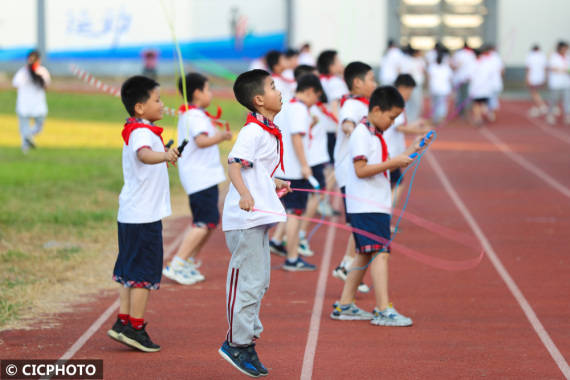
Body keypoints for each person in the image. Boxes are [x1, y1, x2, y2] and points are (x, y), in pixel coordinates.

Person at [330, 85, 430, 326]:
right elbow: (361, 169)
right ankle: (383, 308)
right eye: (391, 117)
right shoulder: (362, 134)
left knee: (364, 254)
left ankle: (345, 304)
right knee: (380, 253)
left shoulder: (374, 134)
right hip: (366, 204)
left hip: (374, 202)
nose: (393, 122)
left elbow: (383, 164)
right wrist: (394, 161)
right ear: (376, 109)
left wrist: (411, 149)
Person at [218, 69, 291, 377]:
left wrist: (270, 183)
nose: (280, 90)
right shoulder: (253, 131)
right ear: (260, 100)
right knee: (247, 282)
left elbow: (253, 169)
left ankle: (246, 339)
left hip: (258, 219)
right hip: (245, 219)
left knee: (260, 282)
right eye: (274, 86)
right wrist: (246, 194)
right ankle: (237, 344)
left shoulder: (266, 130)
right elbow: (234, 165)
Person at [107, 76, 179, 352]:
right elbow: (143, 155)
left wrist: (164, 156)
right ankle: (135, 327)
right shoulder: (141, 133)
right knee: (143, 274)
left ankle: (123, 321)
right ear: (139, 107)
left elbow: (148, 156)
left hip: (132, 214)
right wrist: (164, 156)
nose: (162, 104)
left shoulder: (141, 128)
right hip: (142, 217)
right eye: (157, 99)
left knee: (128, 271)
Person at [162, 73, 232, 285]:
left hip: (205, 176)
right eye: (208, 89)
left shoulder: (196, 114)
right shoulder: (194, 117)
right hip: (199, 177)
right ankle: (177, 263)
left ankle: (188, 261)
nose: (211, 94)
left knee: (210, 222)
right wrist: (221, 136)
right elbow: (201, 141)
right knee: (203, 222)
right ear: (197, 93)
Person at [271, 74, 323, 271]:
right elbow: (297, 138)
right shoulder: (300, 109)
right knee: (294, 215)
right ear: (309, 91)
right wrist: (305, 165)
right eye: (316, 97)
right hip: (294, 171)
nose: (316, 102)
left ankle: (289, 253)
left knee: (289, 212)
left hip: (284, 169)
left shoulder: (288, 105)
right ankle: (292, 258)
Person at [332, 61, 377, 289]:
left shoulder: (363, 104)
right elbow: (347, 124)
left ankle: (347, 265)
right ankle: (347, 266)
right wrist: (357, 132)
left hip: (356, 171)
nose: (375, 83)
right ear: (358, 82)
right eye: (371, 79)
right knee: (359, 223)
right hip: (349, 173)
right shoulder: (352, 105)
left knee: (359, 223)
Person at [385, 74, 431, 211]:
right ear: (402, 88)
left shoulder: (393, 101)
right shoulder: (395, 103)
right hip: (391, 152)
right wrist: (420, 131)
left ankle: (384, 217)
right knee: (397, 184)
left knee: (393, 185)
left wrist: (418, 124)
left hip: (391, 151)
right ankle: (385, 217)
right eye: (409, 91)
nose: (410, 95)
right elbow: (399, 127)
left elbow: (400, 124)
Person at [316, 50, 349, 217]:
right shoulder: (335, 82)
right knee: (332, 168)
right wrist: (340, 128)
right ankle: (322, 201)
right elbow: (336, 107)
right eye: (338, 61)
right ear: (330, 66)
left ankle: (320, 200)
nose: (341, 63)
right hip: (331, 130)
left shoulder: (320, 80)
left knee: (325, 167)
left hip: (321, 129)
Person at [12, 50, 51, 153]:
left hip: (31, 104)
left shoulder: (38, 71)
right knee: (31, 127)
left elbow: (15, 84)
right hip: (30, 104)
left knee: (28, 128)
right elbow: (46, 86)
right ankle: (26, 148)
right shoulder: (24, 72)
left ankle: (27, 141)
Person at [469, 49, 495, 126]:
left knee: (476, 104)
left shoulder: (472, 64)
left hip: (476, 88)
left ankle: (478, 118)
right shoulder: (487, 62)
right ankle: (487, 112)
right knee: (483, 103)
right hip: (485, 88)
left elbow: (469, 76)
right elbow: (491, 74)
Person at [546, 40, 570, 125]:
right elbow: (552, 68)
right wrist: (564, 70)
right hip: (556, 83)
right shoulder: (554, 57)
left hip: (566, 83)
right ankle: (550, 114)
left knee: (567, 100)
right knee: (554, 100)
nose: (566, 50)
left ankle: (567, 116)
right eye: (565, 48)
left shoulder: (568, 56)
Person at [428, 49, 453, 124]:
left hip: (434, 88)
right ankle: (440, 118)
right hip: (443, 89)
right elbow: (450, 78)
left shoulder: (432, 67)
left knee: (434, 104)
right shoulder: (446, 67)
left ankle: (435, 118)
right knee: (442, 104)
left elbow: (429, 77)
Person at [451, 42, 476, 118]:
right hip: (467, 78)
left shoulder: (458, 54)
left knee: (459, 95)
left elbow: (454, 66)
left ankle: (460, 111)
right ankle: (464, 111)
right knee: (465, 96)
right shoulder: (471, 54)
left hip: (459, 78)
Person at [525, 44, 548, 118]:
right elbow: (545, 68)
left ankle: (542, 106)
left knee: (534, 92)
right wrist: (545, 77)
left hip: (533, 77)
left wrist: (527, 78)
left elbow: (528, 68)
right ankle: (537, 106)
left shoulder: (530, 56)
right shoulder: (542, 56)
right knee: (535, 92)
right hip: (540, 77)